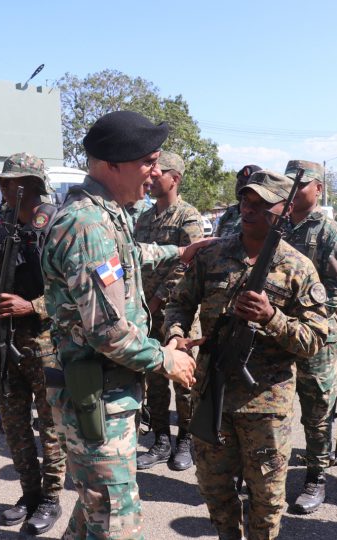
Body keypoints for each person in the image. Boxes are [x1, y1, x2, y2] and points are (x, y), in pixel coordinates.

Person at [41, 110, 198, 539]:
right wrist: (166, 359)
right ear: (112, 164)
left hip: (106, 394)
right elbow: (108, 332)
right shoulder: (88, 224)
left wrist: (177, 253)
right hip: (97, 396)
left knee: (98, 509)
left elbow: (123, 262)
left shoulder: (105, 214)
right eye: (148, 161)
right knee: (116, 520)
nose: (155, 172)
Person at [165, 169, 328, 539]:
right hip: (212, 392)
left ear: (282, 213)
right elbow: (179, 303)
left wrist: (272, 318)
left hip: (265, 406)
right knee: (215, 491)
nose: (248, 210)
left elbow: (315, 339)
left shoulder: (298, 267)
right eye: (245, 201)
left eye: (260, 205)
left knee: (267, 500)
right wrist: (177, 336)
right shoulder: (213, 255)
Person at [0, 153, 66, 535]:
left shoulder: (58, 224)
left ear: (29, 184)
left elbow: (76, 292)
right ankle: (29, 493)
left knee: (51, 424)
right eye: (1, 183)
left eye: (8, 183)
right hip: (7, 339)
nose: (2, 189)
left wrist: (33, 305)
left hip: (48, 340)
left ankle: (51, 498)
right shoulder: (3, 222)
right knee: (13, 423)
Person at [281, 160, 337, 513]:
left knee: (317, 410)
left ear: (319, 189)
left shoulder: (332, 234)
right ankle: (270, 475)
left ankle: (316, 476)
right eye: (290, 184)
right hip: (277, 335)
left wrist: (301, 322)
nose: (294, 190)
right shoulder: (276, 228)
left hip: (316, 340)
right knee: (274, 409)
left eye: (302, 184)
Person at [133, 151, 205, 472]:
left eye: (159, 172)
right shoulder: (144, 219)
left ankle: (186, 440)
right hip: (146, 313)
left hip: (178, 314)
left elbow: (188, 265)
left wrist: (159, 298)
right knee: (155, 377)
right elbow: (133, 262)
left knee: (184, 380)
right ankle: (161, 440)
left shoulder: (188, 217)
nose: (152, 176)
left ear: (174, 179)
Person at [214, 164, 261, 237]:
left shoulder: (261, 215)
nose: (240, 187)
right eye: (239, 182)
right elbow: (216, 240)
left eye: (246, 184)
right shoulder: (230, 213)